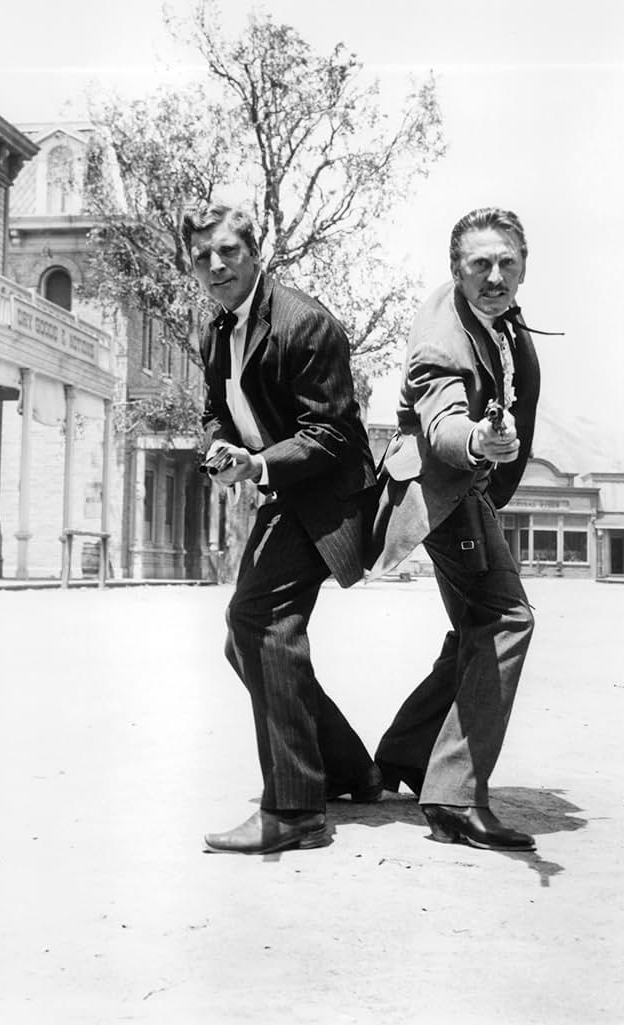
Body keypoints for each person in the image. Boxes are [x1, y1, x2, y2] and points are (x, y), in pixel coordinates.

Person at [183, 202, 381, 855]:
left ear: (255, 251)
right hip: (283, 490)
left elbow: (330, 435)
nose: (217, 266)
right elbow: (218, 409)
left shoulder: (305, 323)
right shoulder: (216, 331)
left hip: (333, 493)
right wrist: (222, 449)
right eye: (204, 255)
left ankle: (295, 810)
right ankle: (348, 769)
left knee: (261, 621)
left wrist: (258, 462)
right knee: (245, 641)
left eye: (229, 251)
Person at [368, 206, 541, 852]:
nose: (495, 277)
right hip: (443, 488)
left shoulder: (489, 310)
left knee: (477, 626)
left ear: (524, 265)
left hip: (464, 490)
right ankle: (453, 796)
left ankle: (410, 754)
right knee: (506, 620)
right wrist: (482, 440)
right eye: (480, 265)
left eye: (507, 264)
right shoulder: (442, 338)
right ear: (456, 270)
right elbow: (443, 423)